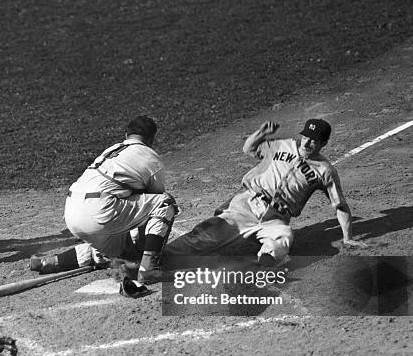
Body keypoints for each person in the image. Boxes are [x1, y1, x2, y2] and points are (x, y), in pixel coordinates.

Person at [164, 118, 367, 266]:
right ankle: (153, 259)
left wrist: (347, 236)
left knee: (284, 235)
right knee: (204, 238)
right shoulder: (282, 145)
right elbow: (249, 149)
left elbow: (340, 205)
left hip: (276, 218)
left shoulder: (325, 171)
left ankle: (261, 268)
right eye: (305, 137)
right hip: (247, 205)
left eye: (313, 140)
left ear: (323, 143)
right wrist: (261, 133)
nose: (306, 143)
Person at [29, 115, 178, 289]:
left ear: (126, 134)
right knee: (165, 203)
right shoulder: (151, 158)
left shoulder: (113, 149)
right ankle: (149, 268)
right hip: (101, 210)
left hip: (72, 211)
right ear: (152, 138)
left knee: (119, 248)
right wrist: (144, 247)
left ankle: (48, 262)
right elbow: (153, 203)